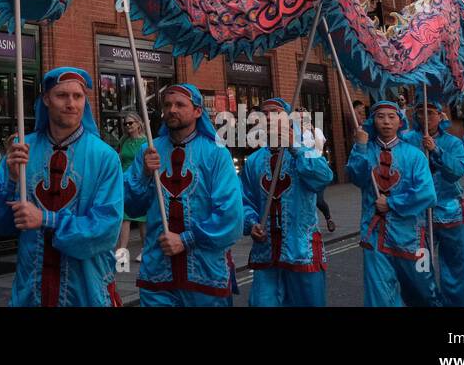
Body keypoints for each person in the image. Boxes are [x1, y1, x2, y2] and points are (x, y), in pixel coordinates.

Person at [0, 67, 123, 306]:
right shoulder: (21, 150)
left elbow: (106, 230)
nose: (71, 103)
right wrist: (11, 181)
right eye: (62, 96)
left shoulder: (105, 157)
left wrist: (47, 219)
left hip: (84, 293)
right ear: (46, 99)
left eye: (78, 96)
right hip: (30, 292)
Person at [125, 83, 242, 307]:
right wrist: (144, 175)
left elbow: (231, 216)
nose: (172, 110)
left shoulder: (216, 153)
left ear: (198, 111)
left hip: (205, 275)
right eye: (168, 105)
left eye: (180, 104)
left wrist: (186, 240)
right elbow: (131, 207)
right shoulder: (149, 151)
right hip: (158, 274)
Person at [240, 98, 333, 307]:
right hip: (266, 251)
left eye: (275, 112)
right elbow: (245, 200)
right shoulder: (254, 161)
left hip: (301, 248)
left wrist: (295, 148)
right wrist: (251, 222)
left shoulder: (305, 151)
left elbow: (324, 177)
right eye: (263, 113)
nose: (269, 117)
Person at [347, 101, 438, 307]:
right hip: (374, 234)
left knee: (423, 289)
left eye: (391, 117)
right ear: (373, 120)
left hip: (411, 235)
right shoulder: (364, 150)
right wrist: (360, 146)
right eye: (380, 117)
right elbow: (356, 177)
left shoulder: (415, 155)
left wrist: (393, 203)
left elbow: (427, 194)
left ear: (400, 121)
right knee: (379, 294)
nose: (386, 122)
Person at [415, 100, 464, 306]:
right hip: (417, 215)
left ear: (440, 116)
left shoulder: (454, 143)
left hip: (450, 211)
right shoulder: (407, 140)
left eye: (430, 113)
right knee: (419, 267)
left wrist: (437, 150)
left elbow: (458, 171)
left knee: (455, 267)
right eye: (420, 112)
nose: (426, 117)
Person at [116, 111, 147, 262]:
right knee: (125, 217)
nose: (128, 126)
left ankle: (145, 249)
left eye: (131, 123)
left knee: (142, 219)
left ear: (139, 124)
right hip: (123, 182)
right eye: (125, 124)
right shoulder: (123, 140)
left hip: (139, 181)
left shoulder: (145, 142)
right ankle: (121, 252)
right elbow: (120, 160)